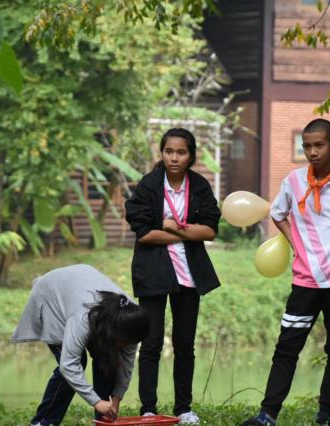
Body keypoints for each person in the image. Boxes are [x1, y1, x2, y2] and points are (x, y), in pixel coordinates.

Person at [241, 119, 330, 426]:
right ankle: (267, 414)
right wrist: (297, 244)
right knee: (287, 347)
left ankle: (324, 414)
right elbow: (277, 213)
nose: (312, 152)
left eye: (319, 145)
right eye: (307, 146)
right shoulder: (294, 180)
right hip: (304, 283)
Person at [125, 128, 221, 425]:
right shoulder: (149, 185)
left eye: (181, 152)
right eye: (169, 152)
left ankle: (183, 408)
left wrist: (171, 226)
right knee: (150, 343)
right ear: (162, 153)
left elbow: (210, 230)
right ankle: (148, 409)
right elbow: (144, 234)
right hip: (153, 272)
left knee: (184, 344)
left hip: (189, 275)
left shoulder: (200, 186)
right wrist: (187, 232)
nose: (174, 158)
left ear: (191, 156)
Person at [11, 264, 151, 425]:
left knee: (110, 358)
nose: (126, 346)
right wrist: (96, 401)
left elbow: (126, 366)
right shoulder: (83, 317)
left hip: (81, 291)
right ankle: (43, 421)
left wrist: (116, 398)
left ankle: (103, 421)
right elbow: (68, 365)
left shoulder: (132, 321)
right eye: (123, 342)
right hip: (51, 298)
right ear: (113, 331)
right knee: (75, 365)